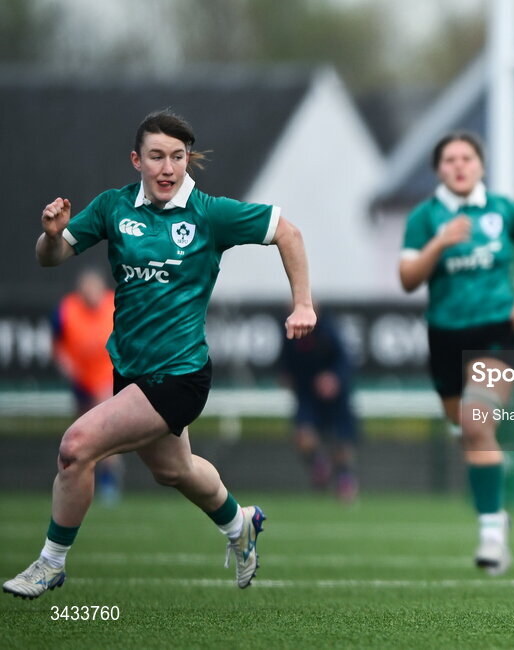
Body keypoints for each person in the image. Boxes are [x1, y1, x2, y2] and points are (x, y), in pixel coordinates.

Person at [3, 110, 315, 600]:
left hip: (180, 376)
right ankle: (241, 526)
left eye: (177, 157)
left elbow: (288, 233)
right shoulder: (113, 207)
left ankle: (50, 563)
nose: (168, 167)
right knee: (174, 470)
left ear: (187, 160)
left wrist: (302, 304)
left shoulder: (208, 213)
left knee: (75, 447)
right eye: (156, 157)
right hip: (129, 372)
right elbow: (52, 256)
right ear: (137, 160)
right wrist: (50, 232)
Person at [399, 131, 514, 576]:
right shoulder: (425, 218)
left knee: (475, 420)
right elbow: (408, 278)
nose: (459, 166)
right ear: (438, 170)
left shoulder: (503, 210)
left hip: (497, 333)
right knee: (464, 427)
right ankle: (493, 508)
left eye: (467, 158)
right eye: (450, 160)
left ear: (481, 165)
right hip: (444, 336)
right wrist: (439, 244)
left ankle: (491, 531)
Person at [51, 268, 123, 505]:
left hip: (107, 378)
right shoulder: (67, 310)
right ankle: (81, 483)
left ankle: (108, 482)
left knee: (105, 433)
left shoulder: (115, 303)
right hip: (81, 381)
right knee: (80, 437)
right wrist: (67, 366)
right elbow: (57, 345)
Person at [280, 308, 360, 501]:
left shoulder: (328, 328)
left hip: (335, 396)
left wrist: (334, 378)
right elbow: (286, 362)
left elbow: (345, 361)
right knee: (303, 436)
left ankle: (344, 480)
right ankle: (319, 465)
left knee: (342, 441)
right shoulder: (290, 331)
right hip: (308, 394)